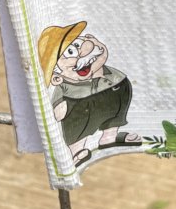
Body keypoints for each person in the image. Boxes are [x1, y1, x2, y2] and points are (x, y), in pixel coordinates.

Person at [37, 21, 141, 167]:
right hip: (80, 104)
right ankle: (76, 151)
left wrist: (99, 50)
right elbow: (57, 111)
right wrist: (59, 108)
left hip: (113, 91)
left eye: (78, 44)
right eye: (70, 52)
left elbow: (100, 59)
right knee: (77, 124)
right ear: (56, 77)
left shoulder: (103, 71)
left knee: (117, 107)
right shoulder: (66, 86)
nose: (81, 54)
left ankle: (109, 137)